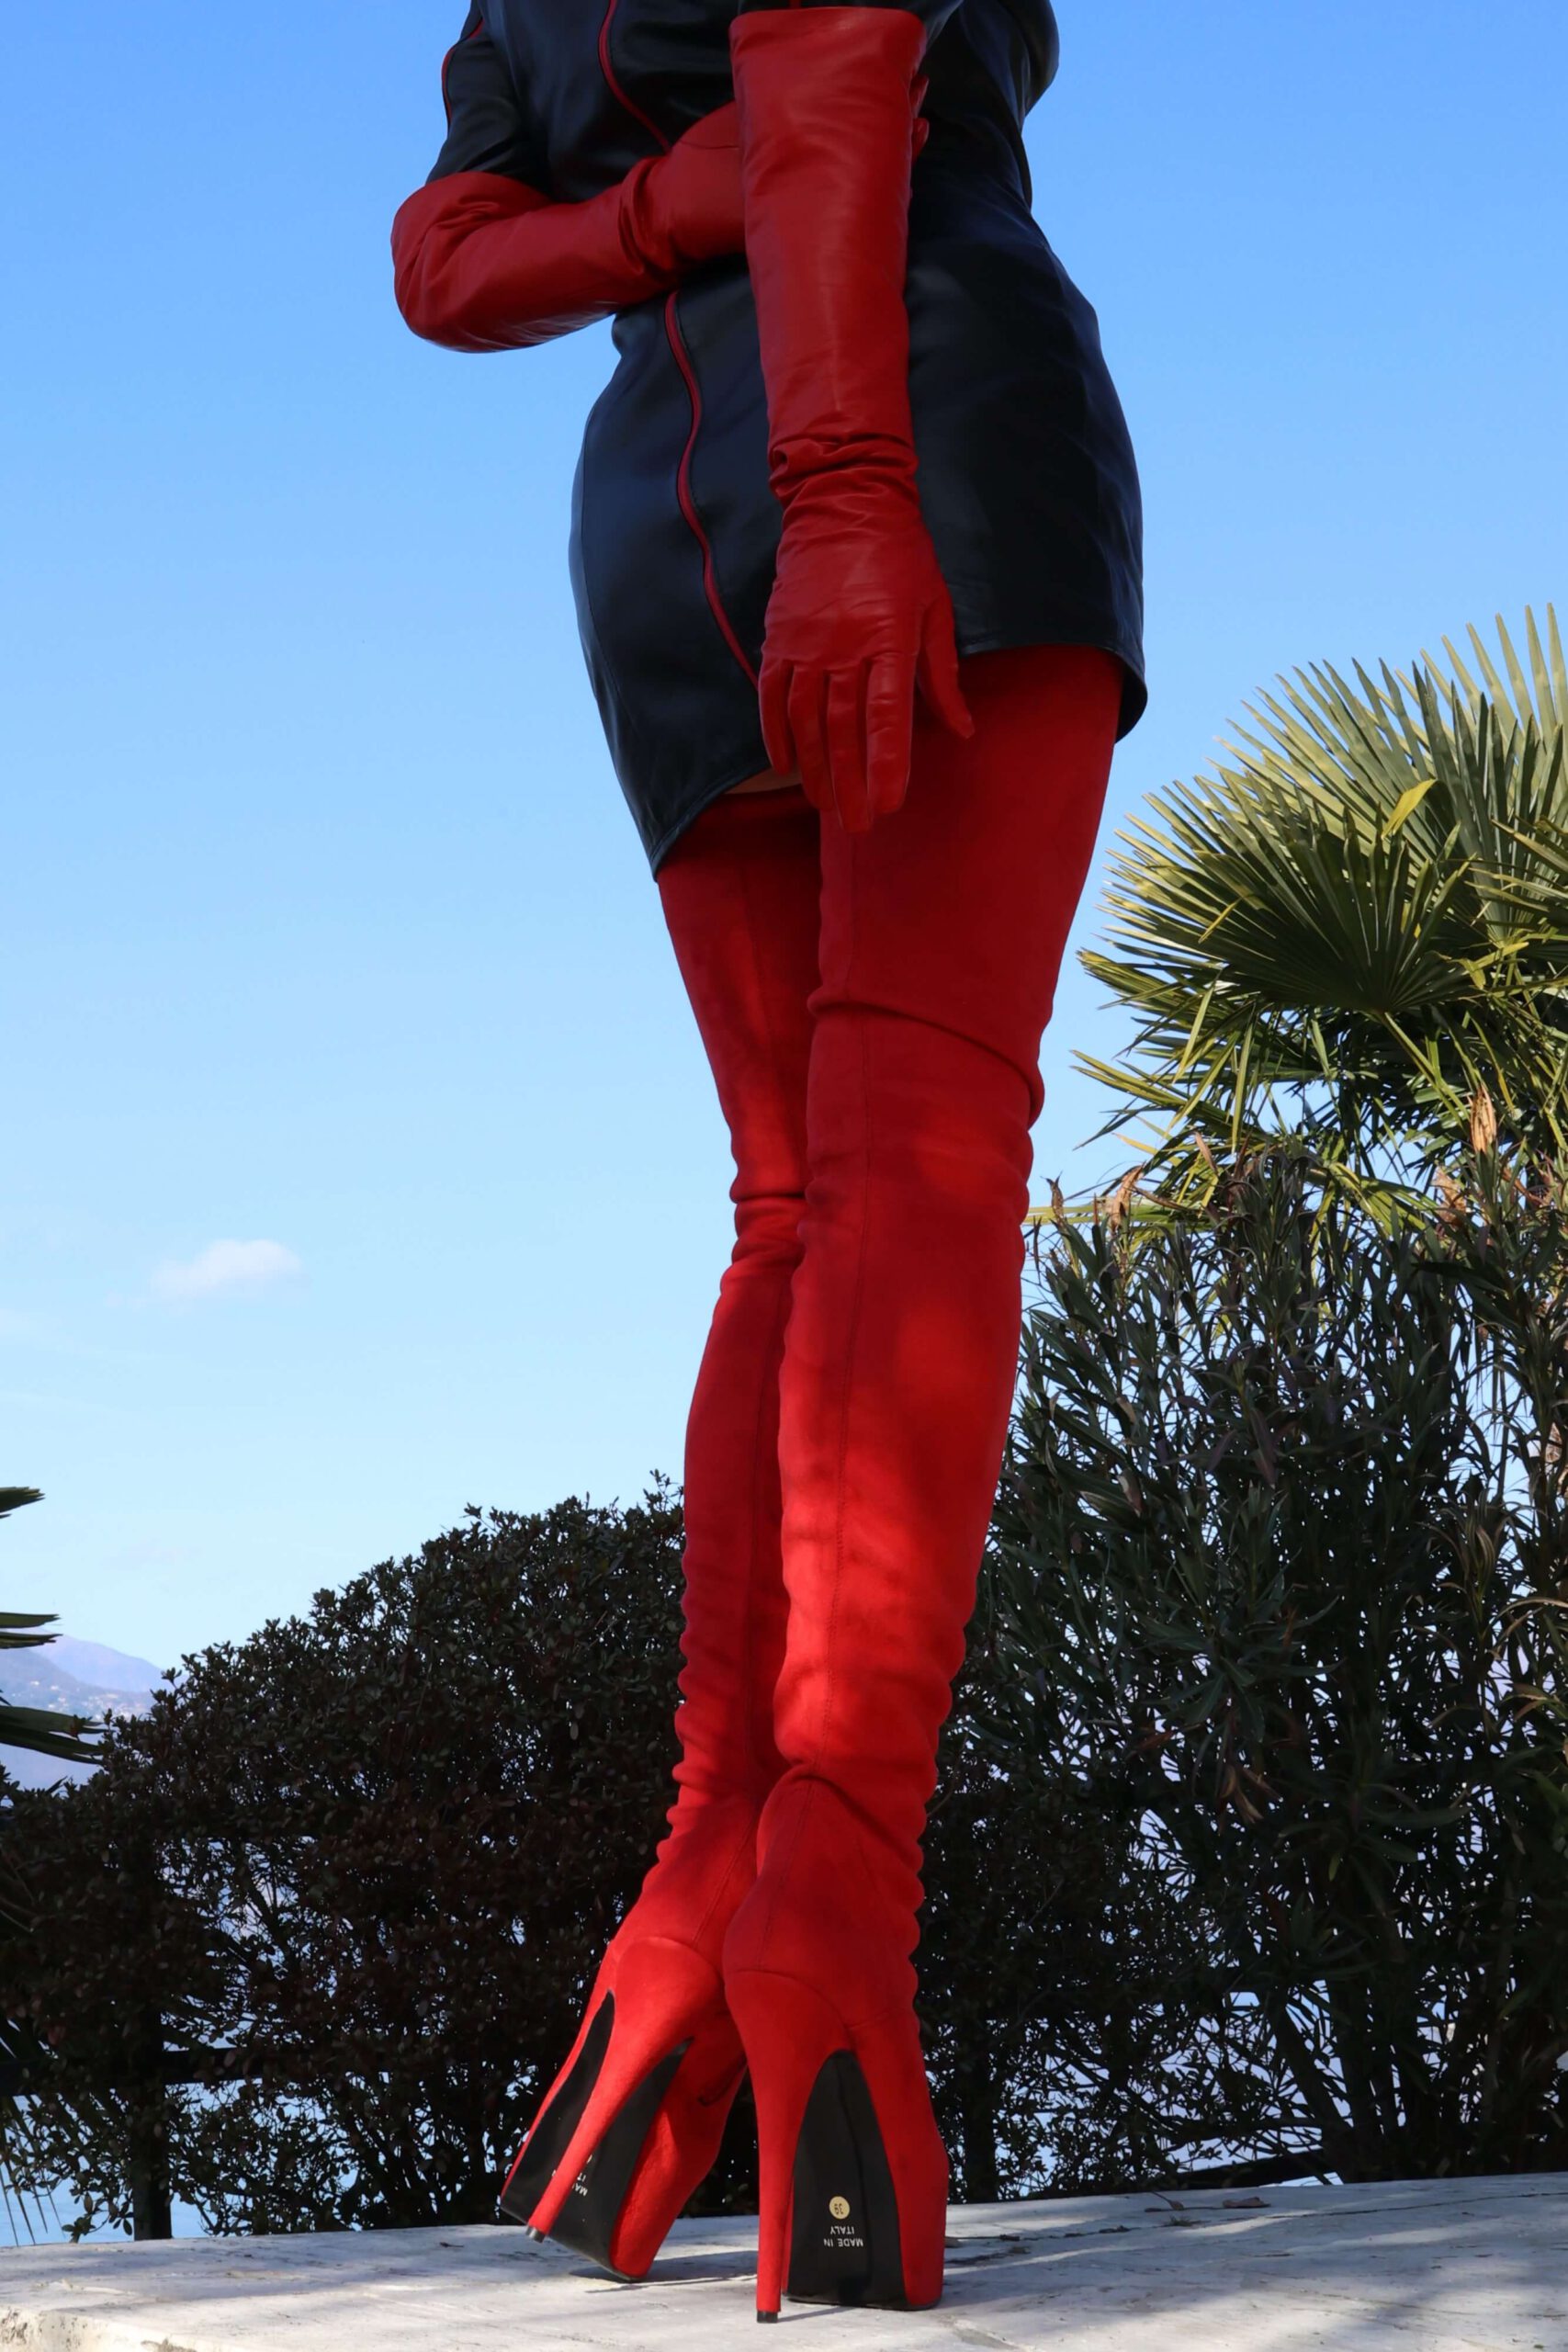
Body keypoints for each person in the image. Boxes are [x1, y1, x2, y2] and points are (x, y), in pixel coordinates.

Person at [392, 0, 1143, 2316]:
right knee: (920, 1147)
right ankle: (833, 1900)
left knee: (791, 1203)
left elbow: (448, 257)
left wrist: (645, 214)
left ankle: (691, 1899)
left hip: (659, 519)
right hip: (919, 436)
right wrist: (847, 492)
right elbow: (828, 73)